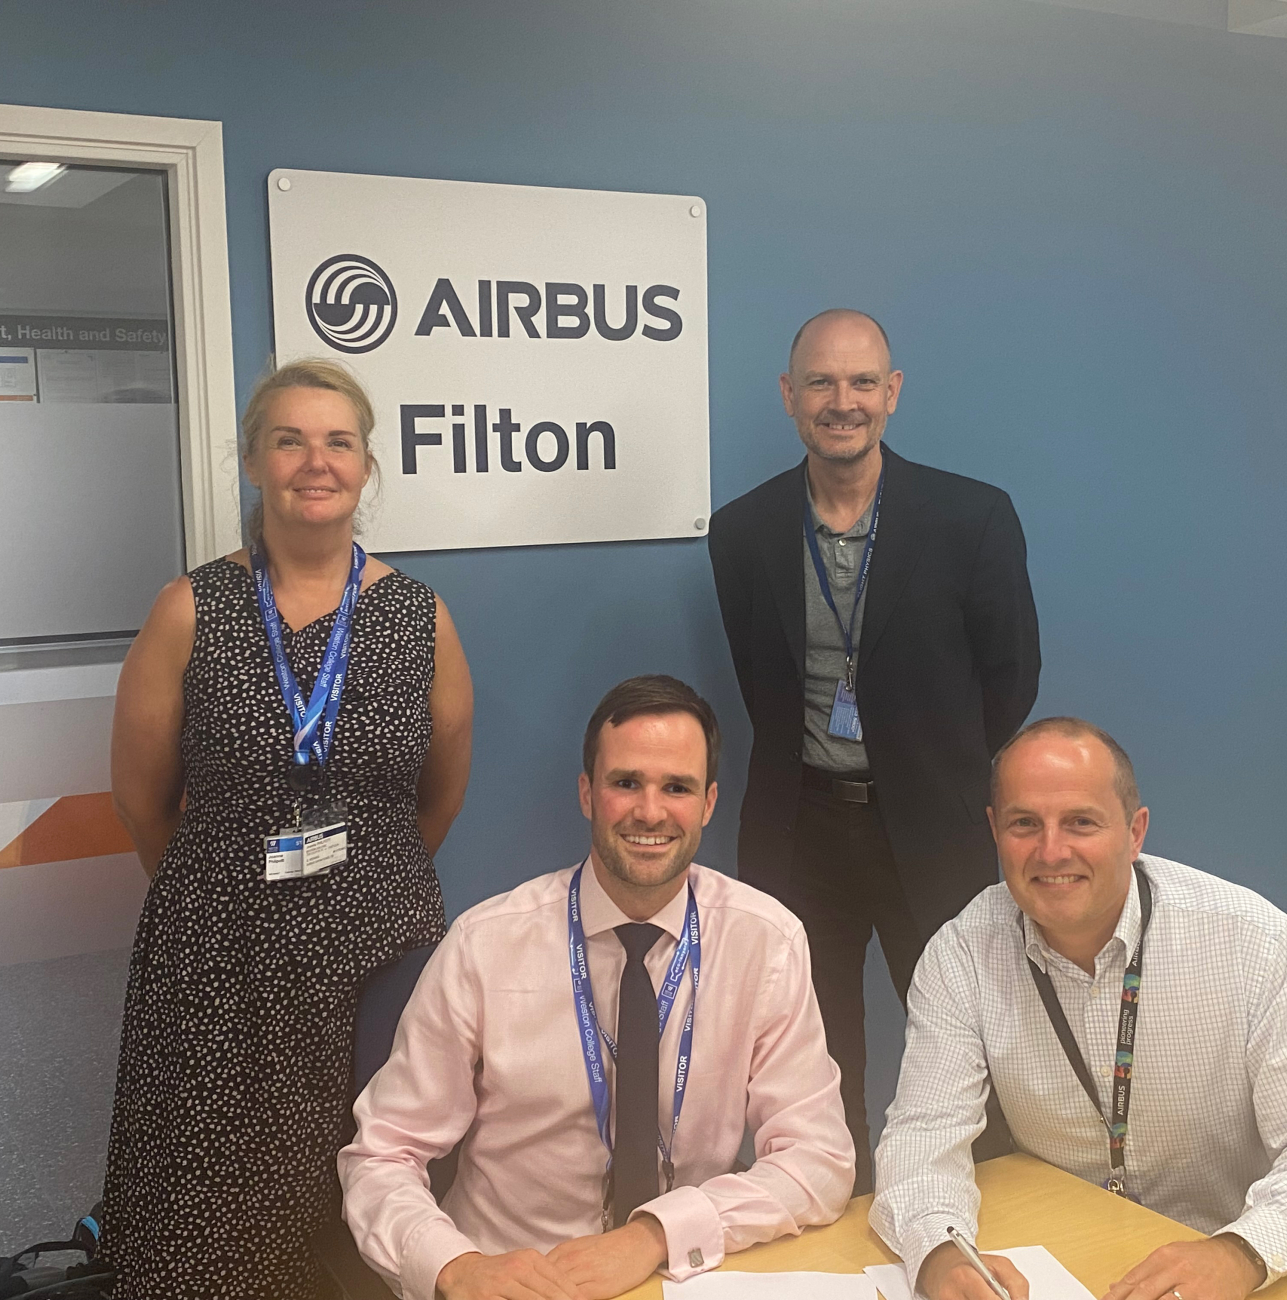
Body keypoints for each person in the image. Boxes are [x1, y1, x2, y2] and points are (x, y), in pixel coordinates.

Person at [101, 359, 474, 1300]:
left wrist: (364, 888)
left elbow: (438, 794)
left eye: (338, 441)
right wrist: (221, 890)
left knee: (374, 1198)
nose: (317, 461)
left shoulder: (417, 616)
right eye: (290, 440)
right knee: (213, 1211)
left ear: (367, 465)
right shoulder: (191, 609)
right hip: (219, 962)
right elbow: (144, 801)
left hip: (381, 954)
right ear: (254, 462)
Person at [339, 675, 854, 1300]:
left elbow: (820, 1159)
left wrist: (655, 1236)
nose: (650, 811)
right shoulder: (487, 946)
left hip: (674, 1275)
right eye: (626, 783)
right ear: (587, 793)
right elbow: (381, 1157)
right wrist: (455, 1268)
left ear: (710, 803)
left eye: (677, 787)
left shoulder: (766, 942)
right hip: (509, 1279)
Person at [707, 308, 1040, 1182]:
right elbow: (760, 683)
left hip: (931, 830)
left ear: (892, 394)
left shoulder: (972, 519)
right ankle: (840, 1224)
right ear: (789, 396)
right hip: (800, 832)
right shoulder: (742, 531)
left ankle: (1001, 1230)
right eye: (821, 382)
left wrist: (935, 763)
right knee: (811, 1064)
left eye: (862, 382)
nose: (841, 401)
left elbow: (1011, 679)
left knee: (975, 1050)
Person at [869, 717, 1287, 1300]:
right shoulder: (962, 955)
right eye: (1025, 824)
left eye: (1081, 822)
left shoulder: (1253, 943)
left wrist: (1242, 1254)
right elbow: (923, 1137)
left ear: (1135, 831)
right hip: (1063, 1263)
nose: (1052, 851)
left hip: (1230, 1263)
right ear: (995, 830)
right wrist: (941, 1253)